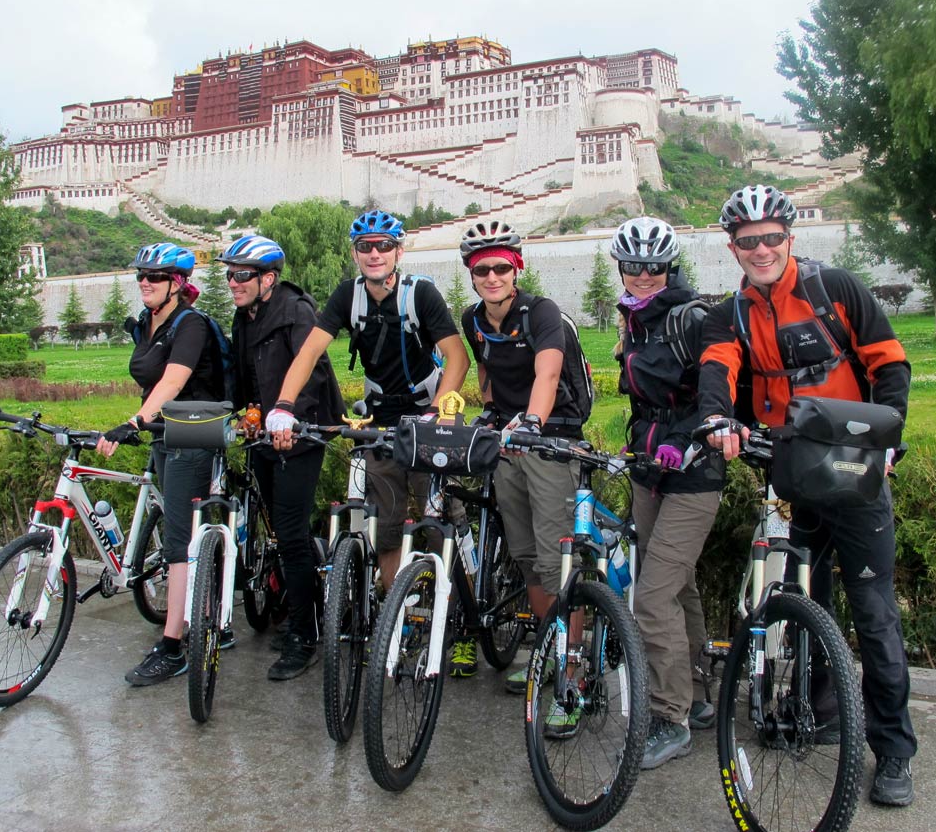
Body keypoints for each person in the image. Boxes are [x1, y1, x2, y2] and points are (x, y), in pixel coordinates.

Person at [696, 185, 918, 808]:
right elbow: (717, 370)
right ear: (732, 248)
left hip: (854, 469)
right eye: (747, 241)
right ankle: (823, 712)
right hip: (791, 470)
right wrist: (717, 421)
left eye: (771, 237)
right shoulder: (730, 313)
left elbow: (890, 364)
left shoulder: (835, 289)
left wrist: (889, 434)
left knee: (874, 612)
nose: (761, 249)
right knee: (806, 599)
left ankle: (895, 749)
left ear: (789, 238)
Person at [265, 210, 471, 663]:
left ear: (399, 251)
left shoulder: (422, 294)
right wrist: (282, 405)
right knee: (387, 525)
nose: (374, 254)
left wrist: (437, 412)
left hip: (427, 415)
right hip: (381, 419)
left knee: (441, 522)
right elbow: (309, 353)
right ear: (355, 253)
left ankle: (461, 620)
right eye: (365, 247)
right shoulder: (348, 295)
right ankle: (400, 609)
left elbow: (457, 359)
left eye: (383, 246)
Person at [610, 217, 726, 770]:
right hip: (647, 468)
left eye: (653, 266)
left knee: (653, 596)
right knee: (681, 591)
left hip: (694, 472)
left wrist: (687, 440)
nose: (643, 276)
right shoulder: (633, 321)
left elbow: (713, 392)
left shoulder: (692, 316)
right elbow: (642, 401)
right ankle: (700, 698)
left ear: (669, 266)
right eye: (633, 267)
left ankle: (669, 716)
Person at [458, 221, 582, 724]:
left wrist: (531, 422)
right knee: (528, 558)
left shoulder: (541, 312)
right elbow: (486, 370)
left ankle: (574, 678)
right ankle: (550, 655)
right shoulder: (473, 319)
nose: (491, 276)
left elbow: (548, 371)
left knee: (558, 562)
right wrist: (490, 413)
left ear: (517, 269)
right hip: (509, 442)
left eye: (500, 267)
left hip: (551, 439)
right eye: (481, 268)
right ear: (471, 275)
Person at [97, 243, 225, 686]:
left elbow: (175, 378)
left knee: (177, 539)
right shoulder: (147, 325)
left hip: (194, 429)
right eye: (141, 276)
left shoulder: (190, 323)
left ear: (177, 283)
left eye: (155, 276)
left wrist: (135, 420)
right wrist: (143, 421)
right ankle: (203, 611)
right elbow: (152, 380)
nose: (144, 283)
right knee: (175, 523)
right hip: (163, 431)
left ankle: (174, 646)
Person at [220, 234, 344, 680]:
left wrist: (292, 418)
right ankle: (299, 602)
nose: (232, 282)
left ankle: (306, 635)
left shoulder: (296, 311)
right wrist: (239, 413)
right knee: (279, 529)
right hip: (263, 437)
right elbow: (246, 374)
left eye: (240, 275)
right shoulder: (244, 316)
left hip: (301, 434)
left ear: (267, 278)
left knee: (289, 533)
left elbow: (312, 371)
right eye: (228, 274)